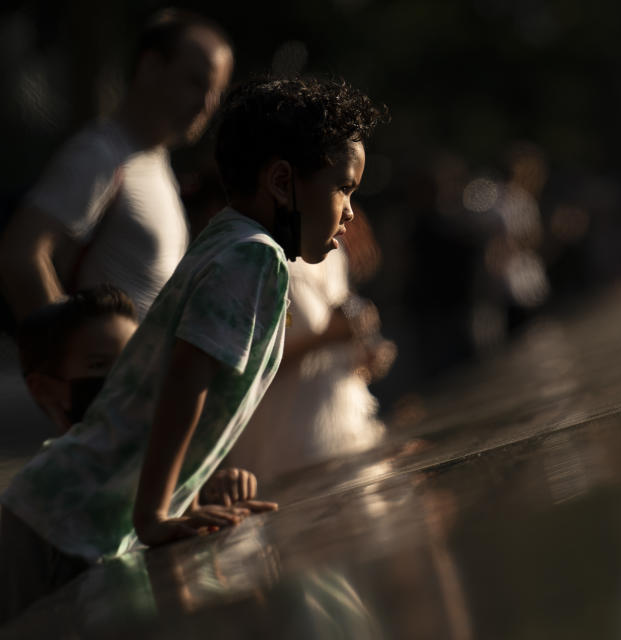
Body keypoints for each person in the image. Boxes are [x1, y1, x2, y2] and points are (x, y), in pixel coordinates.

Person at [0, 76, 387, 623]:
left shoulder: (230, 241)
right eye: (343, 187)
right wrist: (155, 511)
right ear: (282, 181)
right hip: (62, 523)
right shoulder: (253, 257)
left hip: (71, 516)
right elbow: (187, 377)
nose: (349, 211)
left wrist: (188, 495)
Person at [0, 9, 234, 322]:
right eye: (196, 82)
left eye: (217, 92)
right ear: (150, 66)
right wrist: (69, 359)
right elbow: (22, 255)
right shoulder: (99, 154)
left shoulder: (154, 163)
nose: (207, 105)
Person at [15, 283, 262, 504]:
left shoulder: (178, 470)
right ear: (44, 389)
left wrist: (217, 490)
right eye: (98, 365)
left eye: (132, 359)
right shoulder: (41, 496)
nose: (127, 376)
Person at [226, 249, 397, 481]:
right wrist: (326, 337)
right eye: (342, 208)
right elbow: (236, 367)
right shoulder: (260, 262)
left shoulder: (335, 254)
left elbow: (339, 338)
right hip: (294, 455)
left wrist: (363, 354)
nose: (348, 213)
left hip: (353, 431)